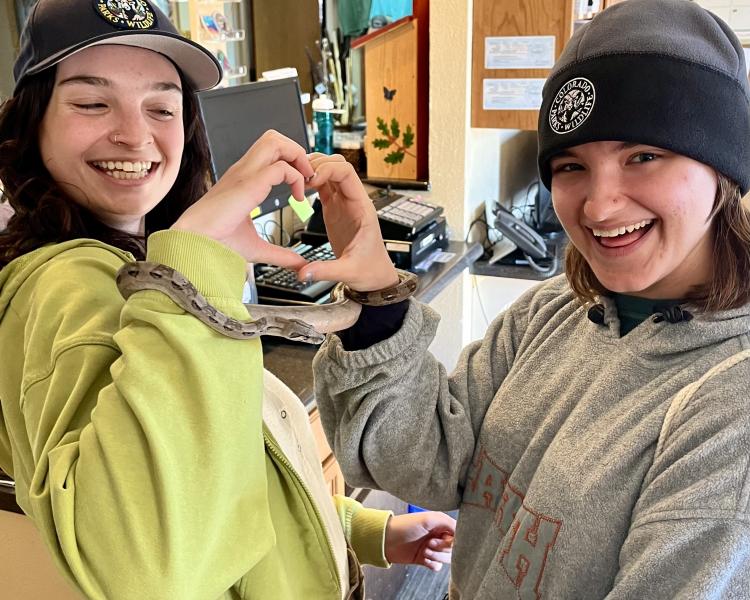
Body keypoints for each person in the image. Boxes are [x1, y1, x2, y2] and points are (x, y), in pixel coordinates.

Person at [0, 0, 455, 598]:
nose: (135, 134)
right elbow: (155, 561)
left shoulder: (139, 270)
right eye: (90, 102)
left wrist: (369, 530)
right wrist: (196, 262)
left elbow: (216, 475)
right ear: (33, 122)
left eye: (162, 106)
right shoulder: (68, 285)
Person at [304, 0, 750, 597]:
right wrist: (377, 292)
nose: (598, 206)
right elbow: (429, 460)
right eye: (571, 166)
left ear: (723, 167)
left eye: (643, 157)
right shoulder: (554, 310)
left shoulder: (731, 405)